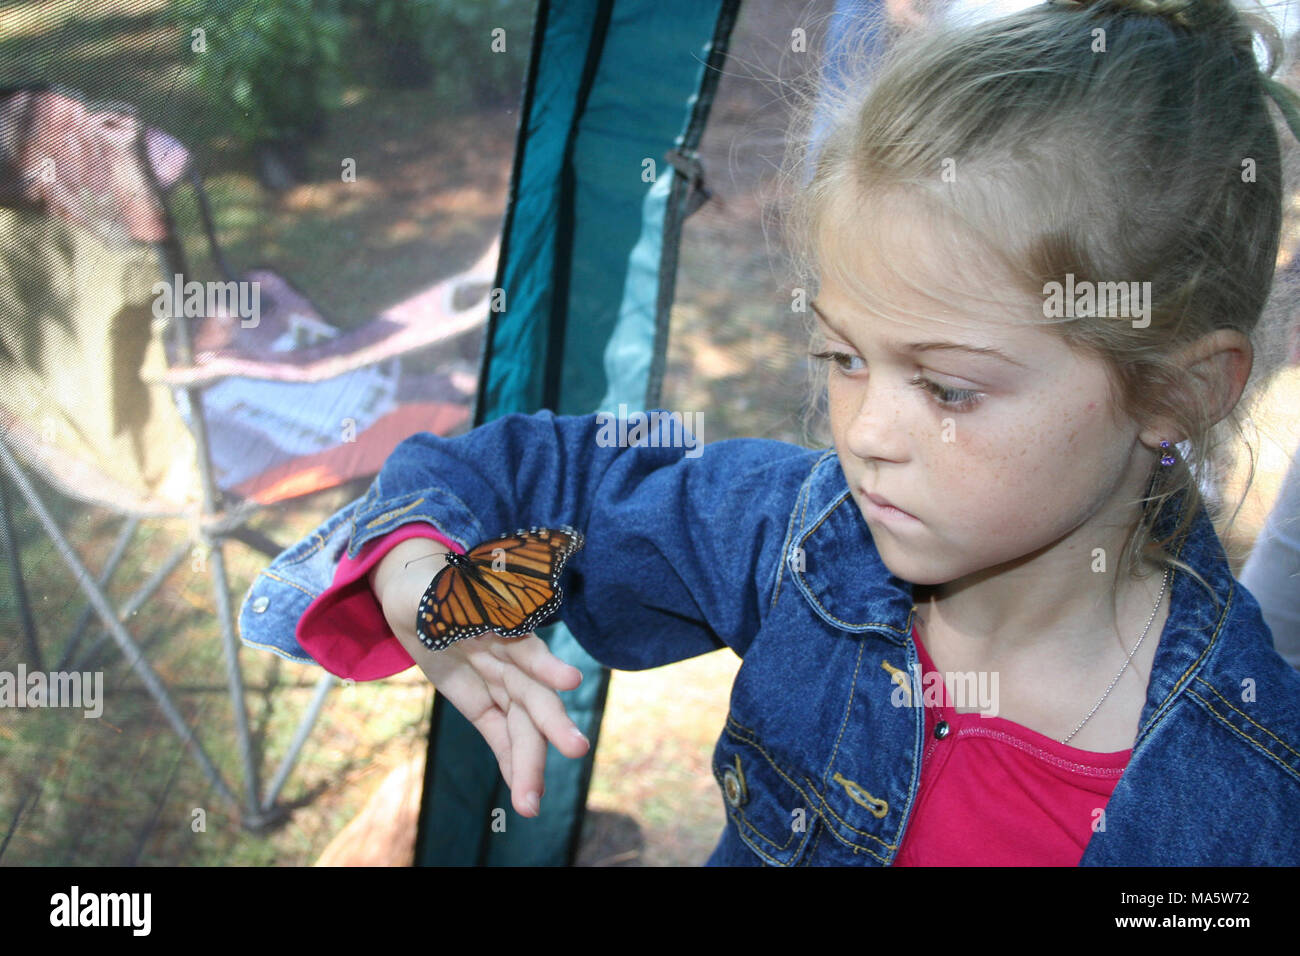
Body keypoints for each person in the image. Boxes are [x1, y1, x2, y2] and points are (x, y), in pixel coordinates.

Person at [238, 0, 1300, 865]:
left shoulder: (1251, 794)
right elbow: (518, 471)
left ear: (1178, 390)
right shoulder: (802, 539)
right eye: (842, 358)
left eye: (948, 389)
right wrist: (421, 562)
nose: (867, 433)